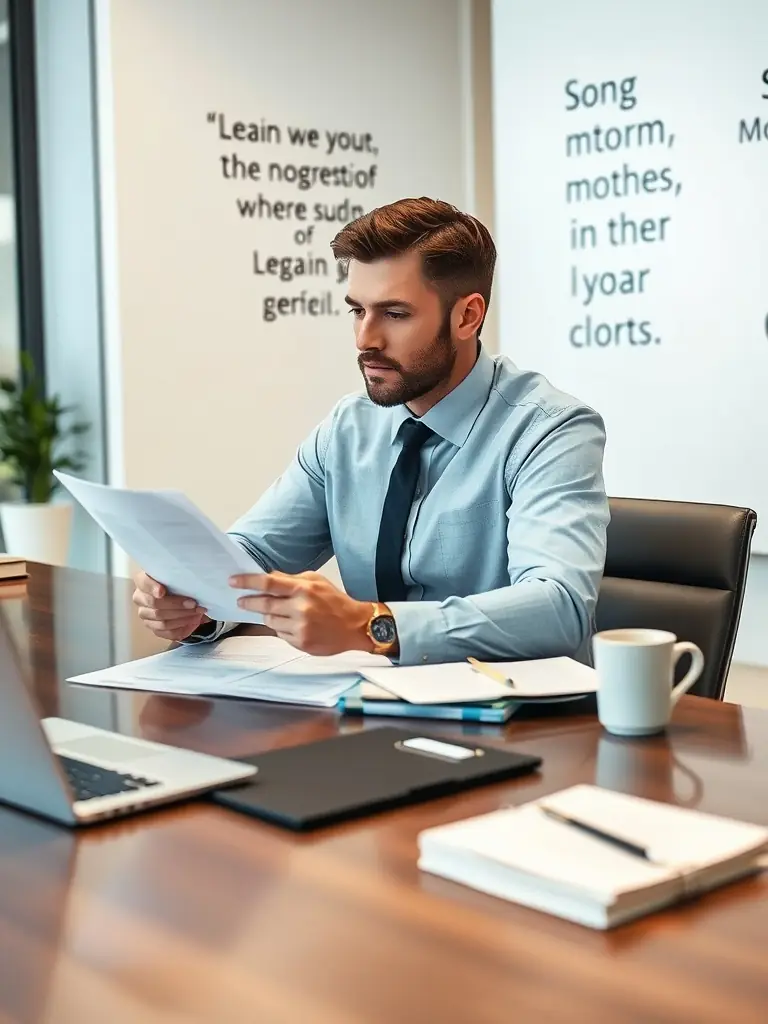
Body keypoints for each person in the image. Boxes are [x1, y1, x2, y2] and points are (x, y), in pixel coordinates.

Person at [133, 197, 609, 665]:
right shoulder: (348, 428)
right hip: (370, 706)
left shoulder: (551, 431)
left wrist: (370, 626)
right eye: (357, 311)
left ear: (467, 316)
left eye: (395, 314)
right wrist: (193, 600)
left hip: (517, 719)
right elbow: (254, 554)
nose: (366, 339)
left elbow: (559, 607)